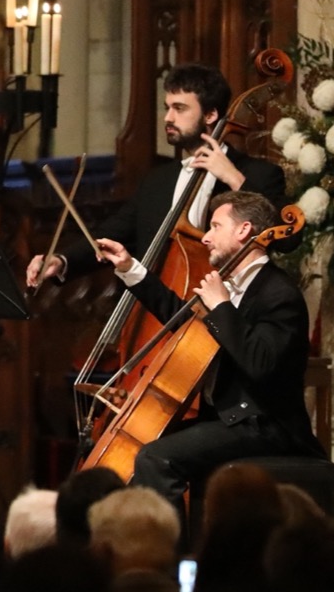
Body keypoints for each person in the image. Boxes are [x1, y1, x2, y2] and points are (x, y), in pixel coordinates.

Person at [96, 189, 322, 507]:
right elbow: (181, 319)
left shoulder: (278, 293)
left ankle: (174, 557)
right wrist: (130, 267)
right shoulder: (227, 288)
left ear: (244, 230)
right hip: (227, 420)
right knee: (144, 447)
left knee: (158, 459)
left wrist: (221, 307)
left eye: (215, 226)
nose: (206, 237)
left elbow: (261, 364)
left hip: (264, 425)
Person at [25, 63, 285, 290]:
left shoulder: (257, 174)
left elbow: (285, 239)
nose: (168, 118)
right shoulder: (158, 180)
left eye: (180, 108)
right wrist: (61, 260)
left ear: (210, 115)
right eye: (167, 108)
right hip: (162, 307)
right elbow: (113, 233)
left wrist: (234, 179)